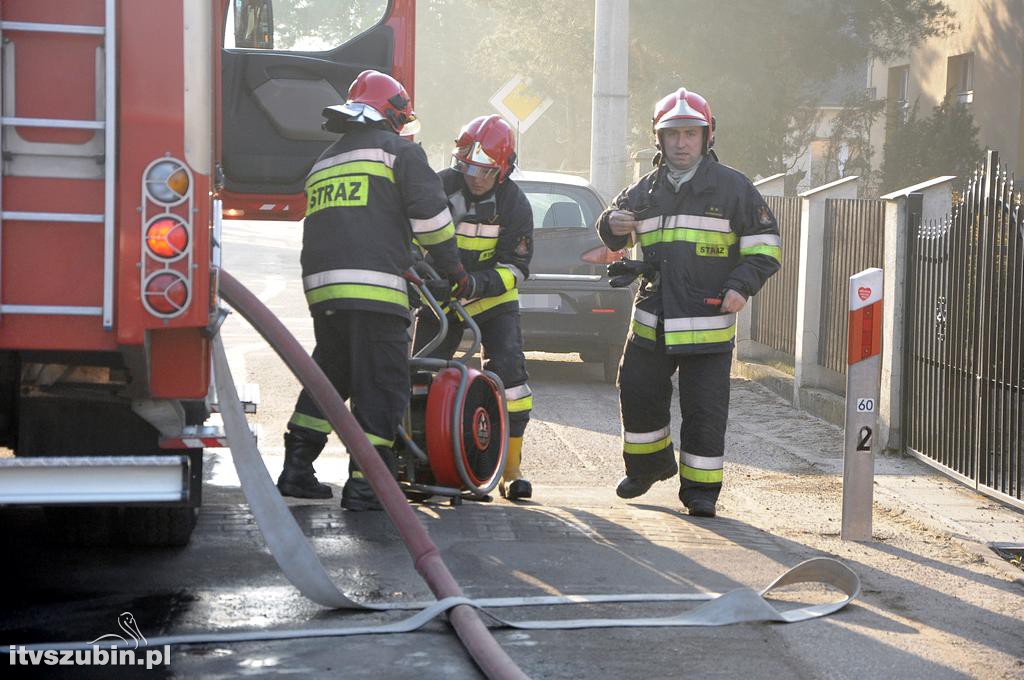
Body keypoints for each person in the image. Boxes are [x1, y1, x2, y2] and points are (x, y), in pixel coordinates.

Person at [277, 69, 467, 511]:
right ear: (393, 114)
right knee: (382, 387)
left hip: (325, 292)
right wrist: (453, 268)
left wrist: (405, 258)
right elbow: (432, 222)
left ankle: (296, 469)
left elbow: (362, 224)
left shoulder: (325, 161)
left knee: (330, 378)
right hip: (376, 293)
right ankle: (367, 485)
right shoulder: (399, 152)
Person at [596, 87, 782, 518]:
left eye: (690, 134)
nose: (681, 143)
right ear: (659, 139)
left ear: (707, 136)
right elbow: (613, 233)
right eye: (673, 134)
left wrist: (741, 286)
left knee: (704, 412)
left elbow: (766, 248)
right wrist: (610, 223)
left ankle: (700, 492)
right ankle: (649, 467)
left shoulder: (734, 188)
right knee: (637, 391)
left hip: (708, 322)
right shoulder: (644, 190)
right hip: (653, 319)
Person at [412, 114, 536, 500]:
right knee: (420, 374)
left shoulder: (515, 204)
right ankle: (421, 462)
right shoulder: (439, 187)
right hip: (440, 298)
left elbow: (517, 269)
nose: (475, 178)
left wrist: (475, 284)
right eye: (467, 168)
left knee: (511, 378)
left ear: (504, 169)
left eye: (484, 171)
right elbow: (412, 239)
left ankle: (511, 470)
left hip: (492, 300)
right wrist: (427, 277)